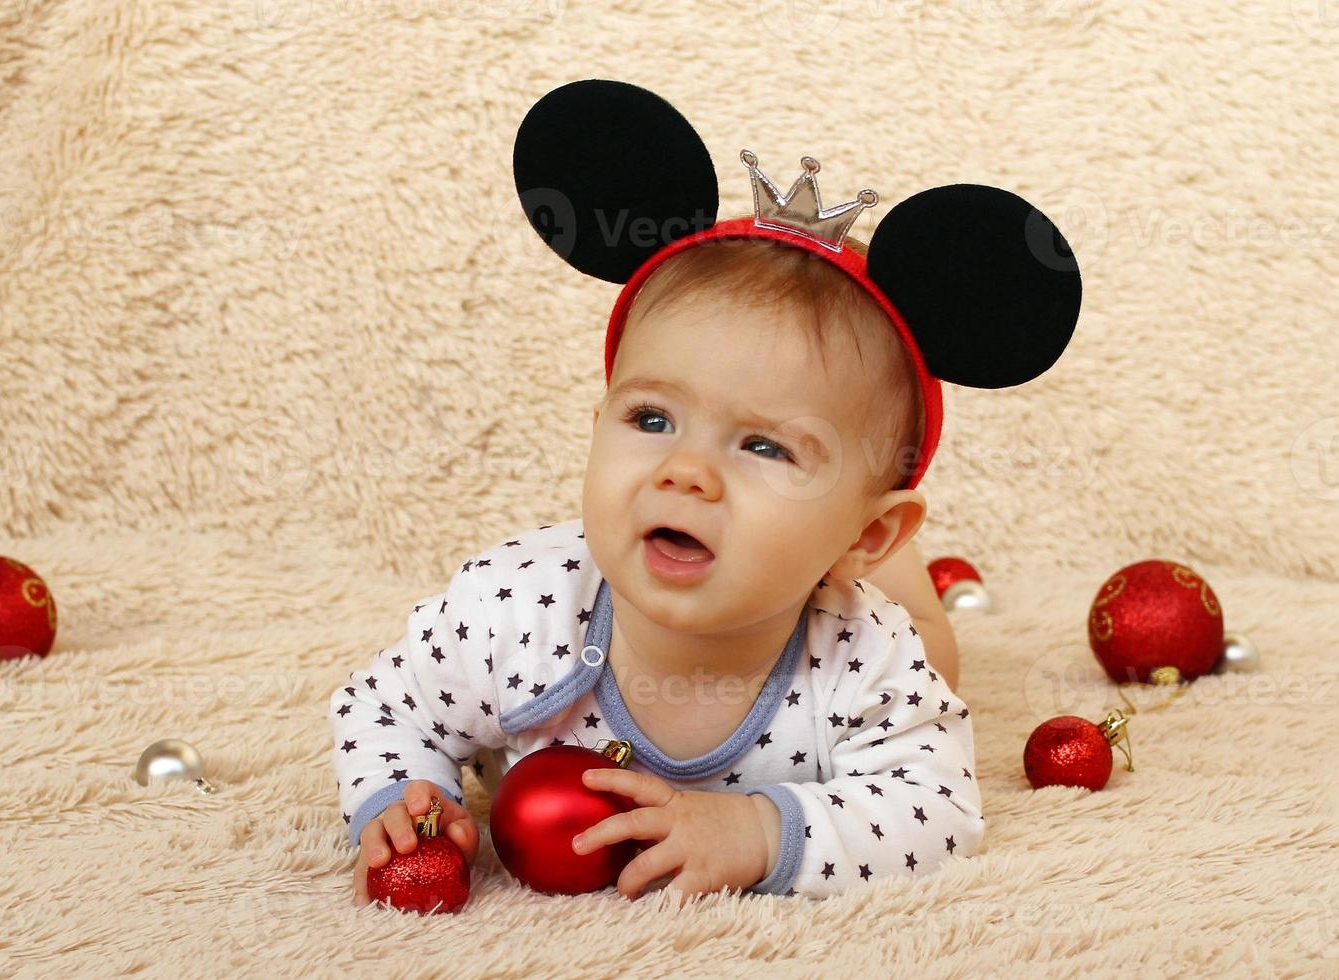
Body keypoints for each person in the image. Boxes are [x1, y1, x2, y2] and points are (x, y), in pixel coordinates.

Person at [332, 232, 981, 903]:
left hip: (842, 597)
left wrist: (759, 831)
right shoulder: (516, 605)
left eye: (764, 446)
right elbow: (383, 705)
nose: (687, 471)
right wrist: (401, 794)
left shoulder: (866, 655)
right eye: (651, 419)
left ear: (867, 533)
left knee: (936, 653)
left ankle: (891, 567)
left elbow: (939, 810)